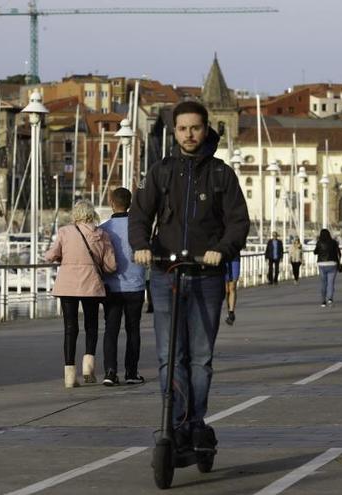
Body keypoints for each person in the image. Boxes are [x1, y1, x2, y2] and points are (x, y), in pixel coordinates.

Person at [130, 100, 249, 454]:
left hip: (206, 275)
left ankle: (196, 421)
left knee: (200, 357)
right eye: (182, 129)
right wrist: (141, 245)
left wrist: (222, 249)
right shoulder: (161, 172)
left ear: (205, 128)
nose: (189, 135)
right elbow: (139, 215)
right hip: (166, 274)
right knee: (170, 356)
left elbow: (238, 222)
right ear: (174, 131)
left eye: (195, 128)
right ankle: (176, 421)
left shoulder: (220, 174)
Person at [46, 200, 116, 388]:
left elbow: (50, 256)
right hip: (91, 285)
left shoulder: (64, 232)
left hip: (68, 285)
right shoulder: (101, 234)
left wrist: (64, 257)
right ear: (91, 214)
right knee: (91, 325)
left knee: (70, 327)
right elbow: (111, 266)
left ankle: (69, 375)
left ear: (75, 215)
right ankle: (88, 367)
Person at [99, 188, 145, 387]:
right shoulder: (139, 228)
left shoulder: (104, 229)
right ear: (130, 203)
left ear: (111, 202)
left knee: (111, 330)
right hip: (135, 285)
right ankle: (131, 372)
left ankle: (110, 372)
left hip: (112, 285)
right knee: (133, 330)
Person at [313, 229, 341, 307]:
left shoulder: (319, 243)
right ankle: (330, 299)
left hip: (322, 264)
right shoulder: (334, 242)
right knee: (330, 283)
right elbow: (339, 253)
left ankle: (323, 301)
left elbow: (315, 252)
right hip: (332, 264)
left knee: (323, 283)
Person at [223, 255, 240, 325]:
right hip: (224, 259)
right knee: (226, 290)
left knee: (232, 286)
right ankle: (229, 310)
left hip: (235, 259)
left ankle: (231, 312)